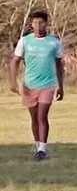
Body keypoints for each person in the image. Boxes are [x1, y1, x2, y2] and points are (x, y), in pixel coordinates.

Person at [8, 10, 65, 160]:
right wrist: (13, 82)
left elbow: (59, 65)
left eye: (41, 22)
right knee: (34, 118)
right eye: (35, 23)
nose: (38, 26)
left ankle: (42, 149)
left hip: (47, 85)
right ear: (31, 24)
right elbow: (14, 61)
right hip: (29, 86)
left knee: (42, 116)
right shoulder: (25, 41)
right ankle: (38, 145)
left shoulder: (54, 42)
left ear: (46, 23)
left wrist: (60, 85)